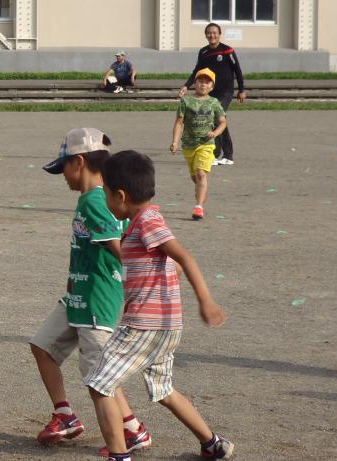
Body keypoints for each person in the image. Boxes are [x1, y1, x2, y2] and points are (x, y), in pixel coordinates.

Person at [86, 150, 233, 461]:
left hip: (145, 326)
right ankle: (212, 444)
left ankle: (119, 456)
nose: (106, 202)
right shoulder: (140, 224)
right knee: (164, 390)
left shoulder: (148, 222)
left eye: (107, 194)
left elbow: (184, 257)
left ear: (120, 195)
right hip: (165, 327)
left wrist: (205, 301)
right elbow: (170, 264)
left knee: (99, 384)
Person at [29, 128, 151, 456]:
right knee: (42, 346)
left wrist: (139, 283)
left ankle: (132, 430)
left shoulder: (97, 200)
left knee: (101, 375)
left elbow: (118, 247)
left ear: (79, 162)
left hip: (97, 299)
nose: (63, 176)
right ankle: (65, 415)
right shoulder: (93, 198)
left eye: (64, 167)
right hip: (78, 296)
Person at [178, 23, 245, 165]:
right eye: (209, 33)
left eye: (214, 32)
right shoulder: (203, 52)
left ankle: (220, 154)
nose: (212, 35)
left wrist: (242, 90)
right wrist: (186, 86)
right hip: (211, 92)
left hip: (225, 91)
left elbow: (237, 70)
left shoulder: (228, 51)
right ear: (206, 35)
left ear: (219, 34)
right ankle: (223, 155)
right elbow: (197, 71)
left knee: (216, 117)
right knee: (219, 120)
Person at [171, 67, 227, 221]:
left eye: (207, 82)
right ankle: (201, 196)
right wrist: (175, 141)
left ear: (212, 86)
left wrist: (215, 133)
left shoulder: (214, 102)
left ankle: (198, 207)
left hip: (206, 144)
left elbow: (223, 122)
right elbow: (178, 123)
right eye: (200, 81)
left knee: (201, 173)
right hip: (188, 145)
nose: (203, 85)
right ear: (194, 83)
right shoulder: (186, 101)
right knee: (196, 178)